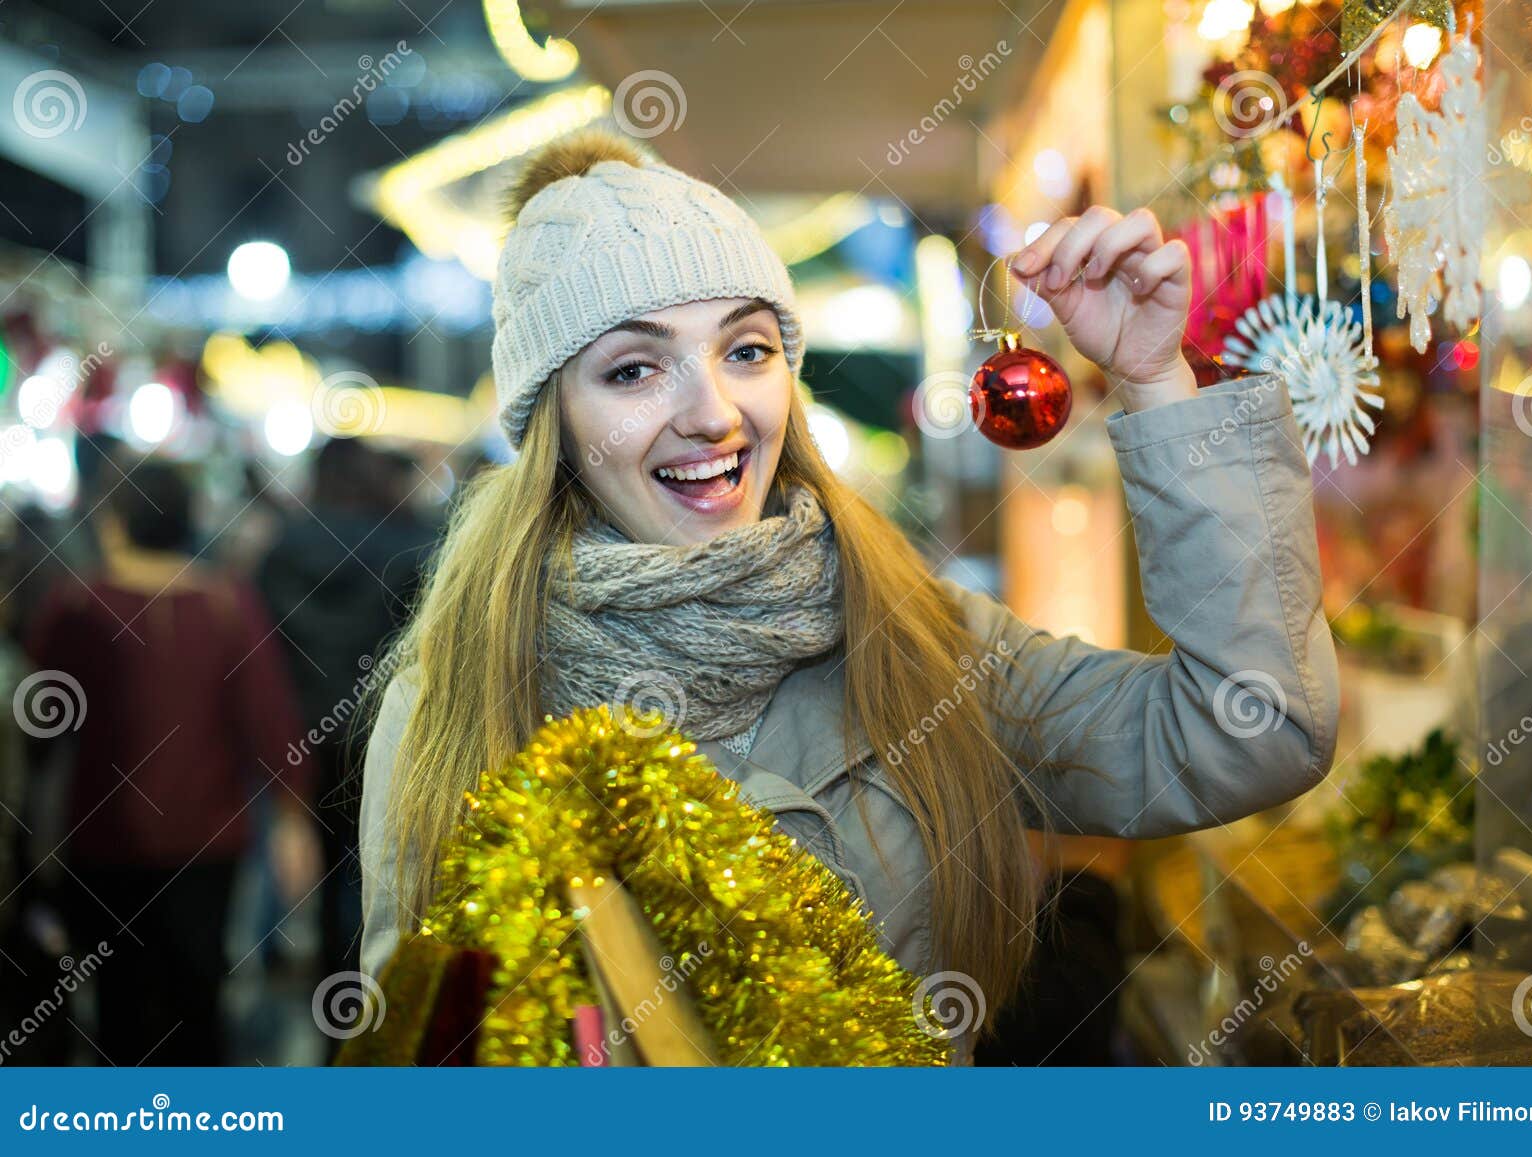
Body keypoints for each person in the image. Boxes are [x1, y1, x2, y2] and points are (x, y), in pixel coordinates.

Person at [358, 129, 1339, 1061]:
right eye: (632, 369)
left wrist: (1154, 380)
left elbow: (1252, 732)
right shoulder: (459, 702)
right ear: (553, 427)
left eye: (745, 349)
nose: (712, 413)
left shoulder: (913, 633)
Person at [24, 460, 319, 1065]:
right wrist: (293, 820)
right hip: (207, 843)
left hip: (101, 841)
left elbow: (36, 733)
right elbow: (271, 722)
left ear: (113, 524)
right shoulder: (226, 605)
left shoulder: (79, 604)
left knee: (118, 1013)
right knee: (197, 1007)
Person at [257, 437, 434, 1001]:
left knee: (314, 862)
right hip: (381, 731)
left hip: (299, 732)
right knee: (377, 869)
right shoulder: (408, 545)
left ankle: (323, 994)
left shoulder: (281, 549)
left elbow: (261, 647)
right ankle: (363, 1006)